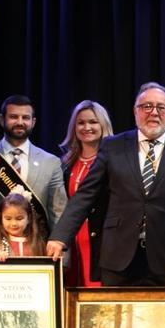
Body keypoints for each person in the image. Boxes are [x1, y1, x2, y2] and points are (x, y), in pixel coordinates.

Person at [46, 82, 165, 288]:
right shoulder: (113, 146)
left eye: (161, 107)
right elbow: (86, 195)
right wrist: (60, 237)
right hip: (117, 257)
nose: (154, 113)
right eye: (147, 106)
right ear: (136, 111)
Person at [0, 95, 67, 233]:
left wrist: (62, 251)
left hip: (37, 248)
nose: (20, 122)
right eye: (13, 117)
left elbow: (58, 213)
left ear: (33, 122)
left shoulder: (51, 162)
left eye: (25, 118)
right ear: (2, 119)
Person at [59, 100, 114, 287]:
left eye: (93, 122)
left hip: (102, 242)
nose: (86, 127)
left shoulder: (114, 161)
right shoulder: (66, 163)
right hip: (72, 241)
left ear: (103, 125)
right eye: (81, 122)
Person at [0, 190, 47, 259]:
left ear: (29, 218)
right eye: (8, 219)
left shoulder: (38, 243)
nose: (14, 223)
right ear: (1, 218)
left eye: (19, 219)